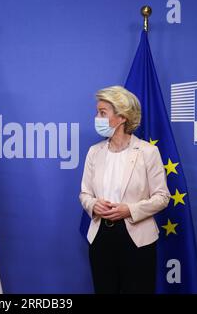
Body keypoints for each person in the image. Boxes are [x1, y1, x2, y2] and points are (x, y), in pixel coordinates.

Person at [79, 85, 170, 294]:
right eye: (97, 112)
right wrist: (94, 204)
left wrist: (129, 210)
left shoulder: (148, 152)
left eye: (102, 113)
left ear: (122, 117)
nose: (97, 117)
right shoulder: (94, 152)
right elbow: (84, 193)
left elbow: (162, 197)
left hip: (137, 238)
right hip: (101, 236)